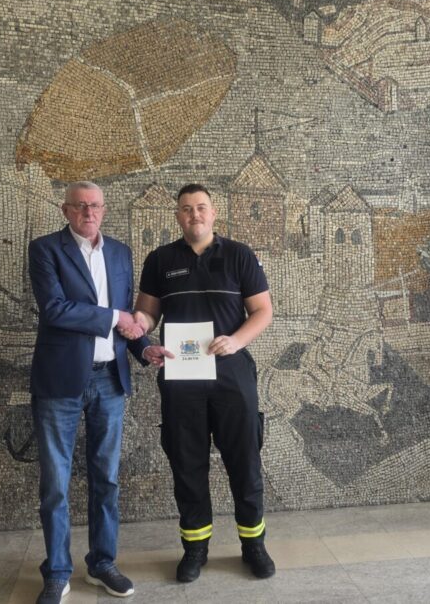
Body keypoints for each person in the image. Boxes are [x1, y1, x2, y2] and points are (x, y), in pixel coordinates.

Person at [134, 184, 276, 583]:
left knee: (244, 461)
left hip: (232, 375)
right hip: (181, 378)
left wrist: (237, 340)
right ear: (177, 216)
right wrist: (139, 326)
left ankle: (253, 545)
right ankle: (195, 548)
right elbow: (147, 313)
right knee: (187, 463)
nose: (194, 214)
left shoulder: (239, 255)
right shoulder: (160, 260)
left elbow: (263, 311)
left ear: (214, 213)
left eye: (201, 207)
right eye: (186, 209)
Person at [29, 181, 149, 604]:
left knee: (107, 478)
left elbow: (127, 318)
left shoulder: (120, 252)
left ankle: (102, 563)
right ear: (65, 210)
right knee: (56, 484)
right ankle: (57, 573)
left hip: (109, 379)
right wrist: (116, 317)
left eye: (95, 205)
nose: (88, 212)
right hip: (60, 381)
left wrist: (144, 348)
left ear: (104, 209)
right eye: (80, 206)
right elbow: (55, 309)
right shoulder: (45, 249)